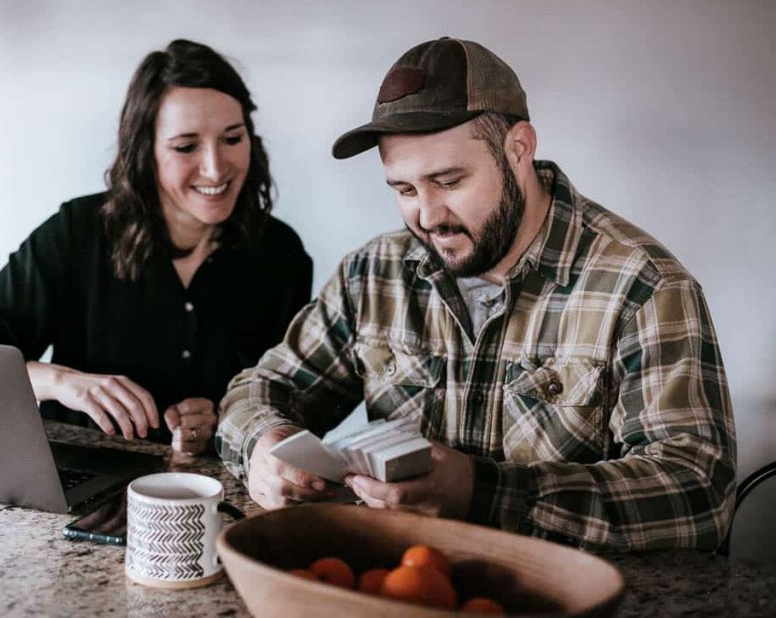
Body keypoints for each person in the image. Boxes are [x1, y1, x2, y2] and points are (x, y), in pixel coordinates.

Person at [216, 37, 736, 551]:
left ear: (519, 149)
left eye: (449, 180)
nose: (427, 215)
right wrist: (264, 443)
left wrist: (483, 493)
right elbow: (260, 388)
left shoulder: (642, 286)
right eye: (404, 190)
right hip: (399, 587)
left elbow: (697, 492)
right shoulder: (373, 274)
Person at [0, 39, 312, 456]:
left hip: (213, 491)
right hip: (75, 475)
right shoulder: (77, 232)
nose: (216, 167)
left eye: (232, 139)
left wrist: (225, 419)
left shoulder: (281, 254)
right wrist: (62, 382)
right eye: (186, 146)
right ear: (144, 152)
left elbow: (286, 401)